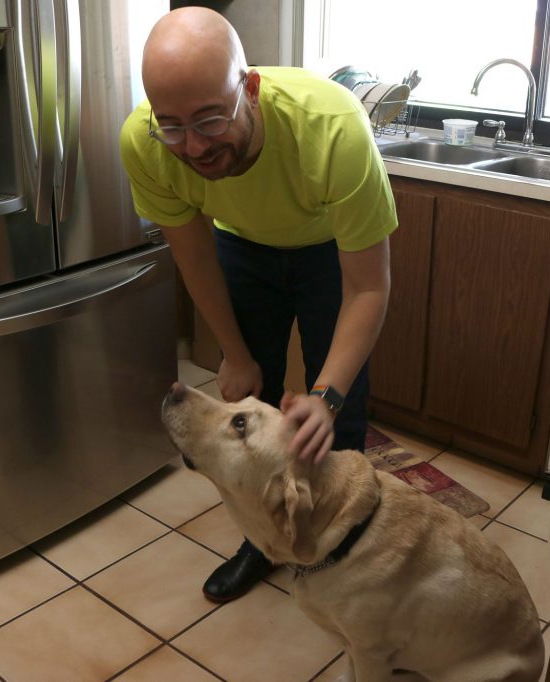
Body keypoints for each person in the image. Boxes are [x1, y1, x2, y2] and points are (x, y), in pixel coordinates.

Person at [120, 7, 397, 603]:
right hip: (243, 244)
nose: (192, 146)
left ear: (249, 89)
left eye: (210, 119)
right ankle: (262, 542)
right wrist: (235, 353)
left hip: (330, 252)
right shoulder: (145, 145)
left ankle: (348, 556)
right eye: (171, 126)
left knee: (336, 419)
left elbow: (368, 288)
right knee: (251, 402)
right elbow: (194, 260)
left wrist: (324, 398)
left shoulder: (332, 127)